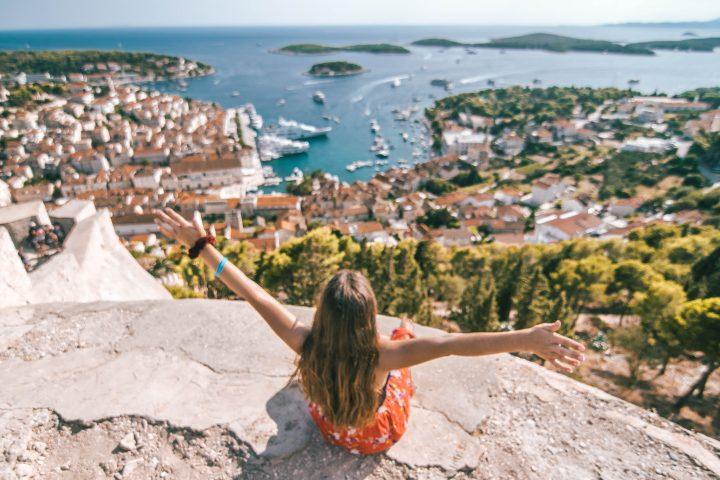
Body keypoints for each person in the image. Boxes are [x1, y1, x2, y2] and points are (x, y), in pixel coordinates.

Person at [154, 208, 586, 455]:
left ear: (323, 313)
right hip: (377, 435)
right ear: (366, 317)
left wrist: (202, 248)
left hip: (331, 427)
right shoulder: (384, 355)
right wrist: (526, 340)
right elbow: (456, 344)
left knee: (303, 380)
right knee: (406, 340)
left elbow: (253, 293)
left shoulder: (303, 339)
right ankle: (402, 331)